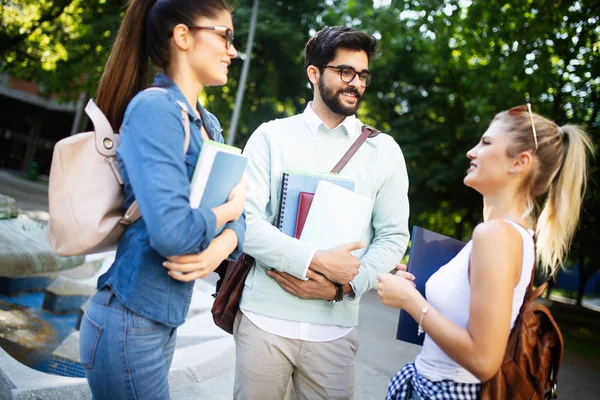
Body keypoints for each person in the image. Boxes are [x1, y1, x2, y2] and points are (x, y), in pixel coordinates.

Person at [78, 0, 245, 398]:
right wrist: (229, 210)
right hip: (128, 321)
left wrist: (216, 250)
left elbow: (243, 220)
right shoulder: (154, 109)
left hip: (158, 321)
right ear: (183, 36)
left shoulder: (207, 124)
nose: (232, 51)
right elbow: (172, 233)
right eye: (224, 36)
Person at [236, 26, 410, 399]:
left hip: (336, 329)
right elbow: (244, 222)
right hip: (263, 321)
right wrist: (316, 260)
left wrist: (344, 284)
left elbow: (394, 235)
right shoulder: (270, 136)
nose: (356, 83)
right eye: (344, 71)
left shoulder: (386, 151)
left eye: (363, 75)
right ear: (314, 73)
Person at [377, 104, 594, 399]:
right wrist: (411, 291)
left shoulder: (496, 235)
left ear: (519, 163)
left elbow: (483, 360)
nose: (471, 151)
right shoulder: (511, 235)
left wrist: (410, 301)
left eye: (486, 142)